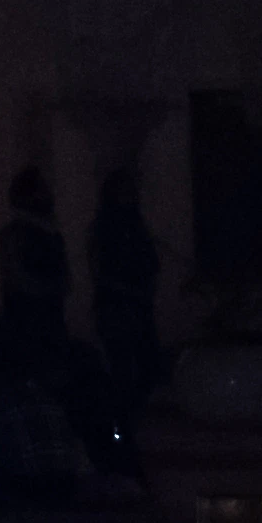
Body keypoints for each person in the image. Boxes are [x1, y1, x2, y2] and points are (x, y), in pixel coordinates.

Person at [88, 165, 171, 421]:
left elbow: (151, 264)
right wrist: (127, 291)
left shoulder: (136, 227)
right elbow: (98, 270)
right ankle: (123, 420)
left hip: (138, 306)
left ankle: (130, 415)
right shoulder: (104, 229)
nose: (129, 196)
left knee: (148, 364)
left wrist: (145, 293)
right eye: (123, 191)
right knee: (121, 364)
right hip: (116, 305)